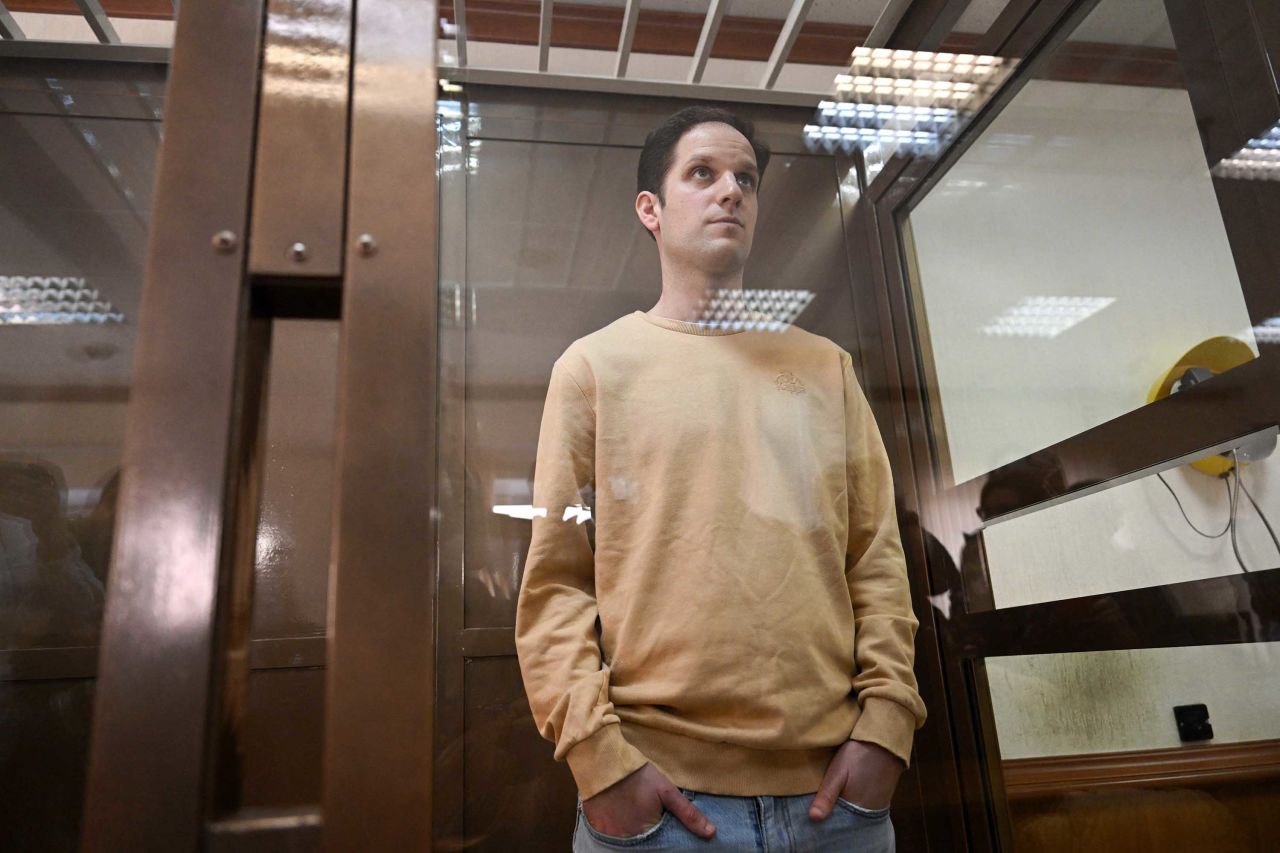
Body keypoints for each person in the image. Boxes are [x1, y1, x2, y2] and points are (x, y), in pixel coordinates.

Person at [515, 106, 925, 852]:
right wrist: (599, 762)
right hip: (656, 803)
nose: (729, 191)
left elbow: (876, 557)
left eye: (745, 178)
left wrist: (888, 726)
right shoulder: (592, 369)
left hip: (837, 801)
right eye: (701, 174)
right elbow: (556, 584)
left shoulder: (825, 368)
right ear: (652, 209)